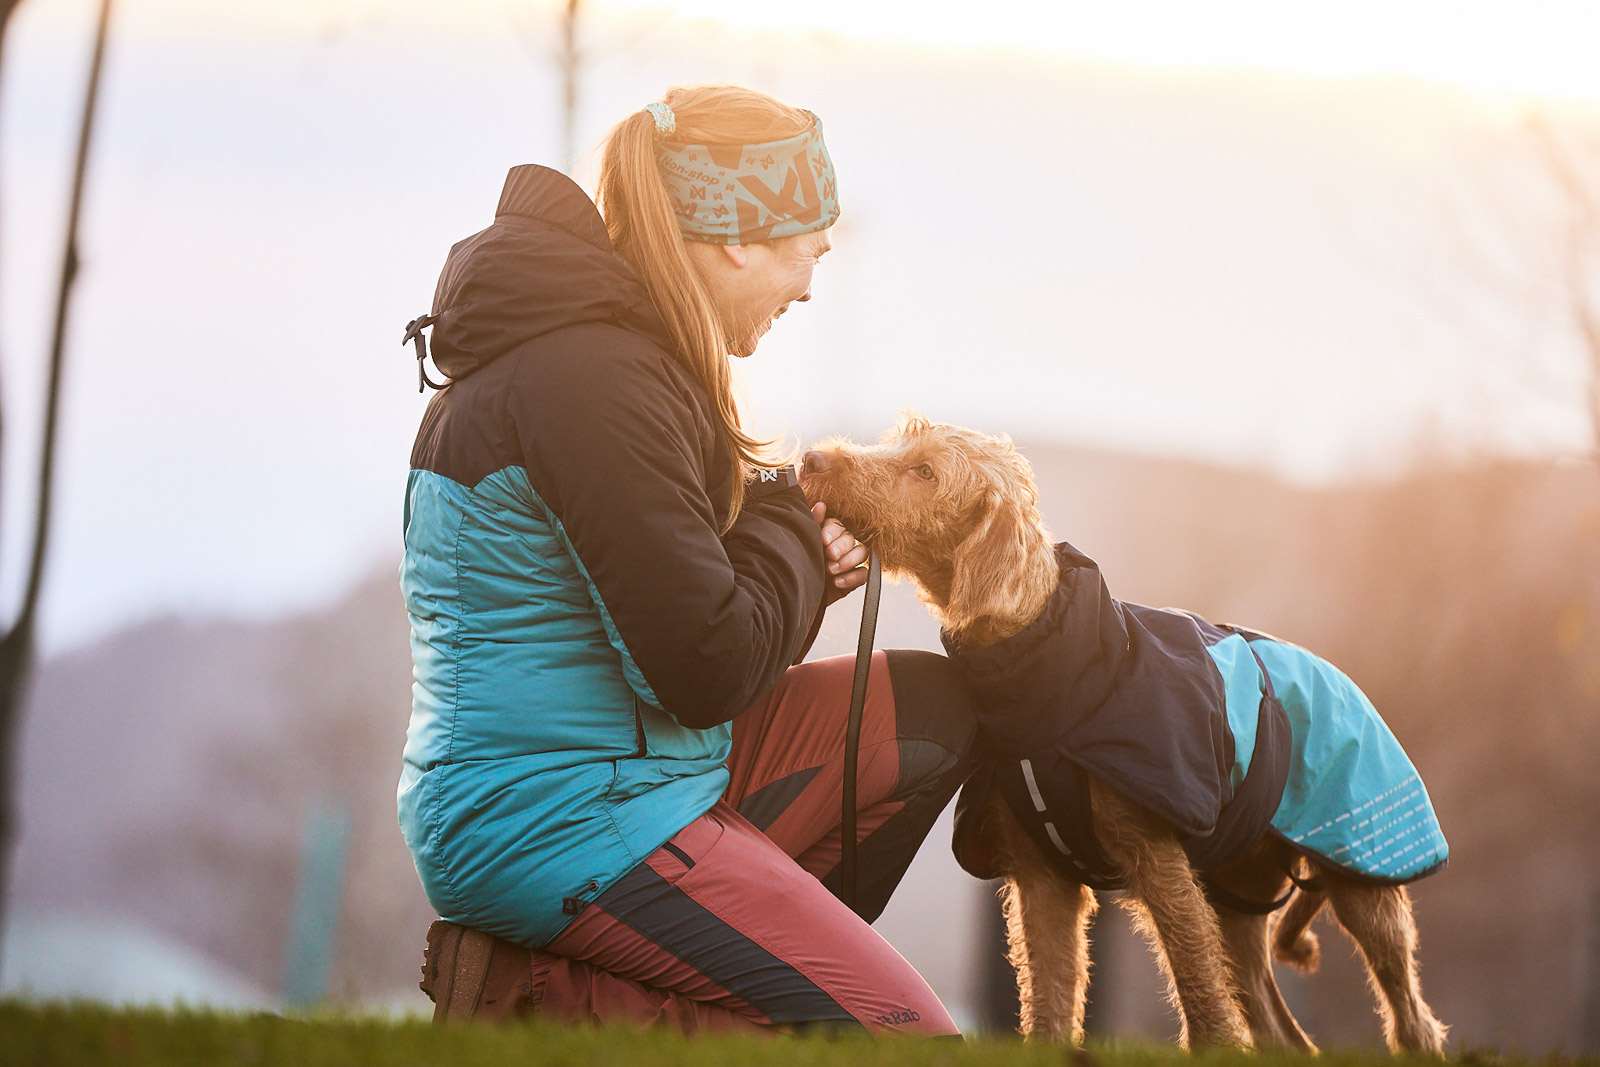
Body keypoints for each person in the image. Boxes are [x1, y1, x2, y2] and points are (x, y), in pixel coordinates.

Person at [397, 85, 977, 1034]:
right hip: (559, 816)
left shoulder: (612, 361)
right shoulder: (592, 379)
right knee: (906, 1041)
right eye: (809, 246)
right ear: (739, 238)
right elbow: (703, 665)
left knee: (931, 713)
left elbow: (689, 610)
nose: (811, 283)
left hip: (642, 766)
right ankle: (535, 993)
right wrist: (792, 538)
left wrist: (788, 546)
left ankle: (758, 972)